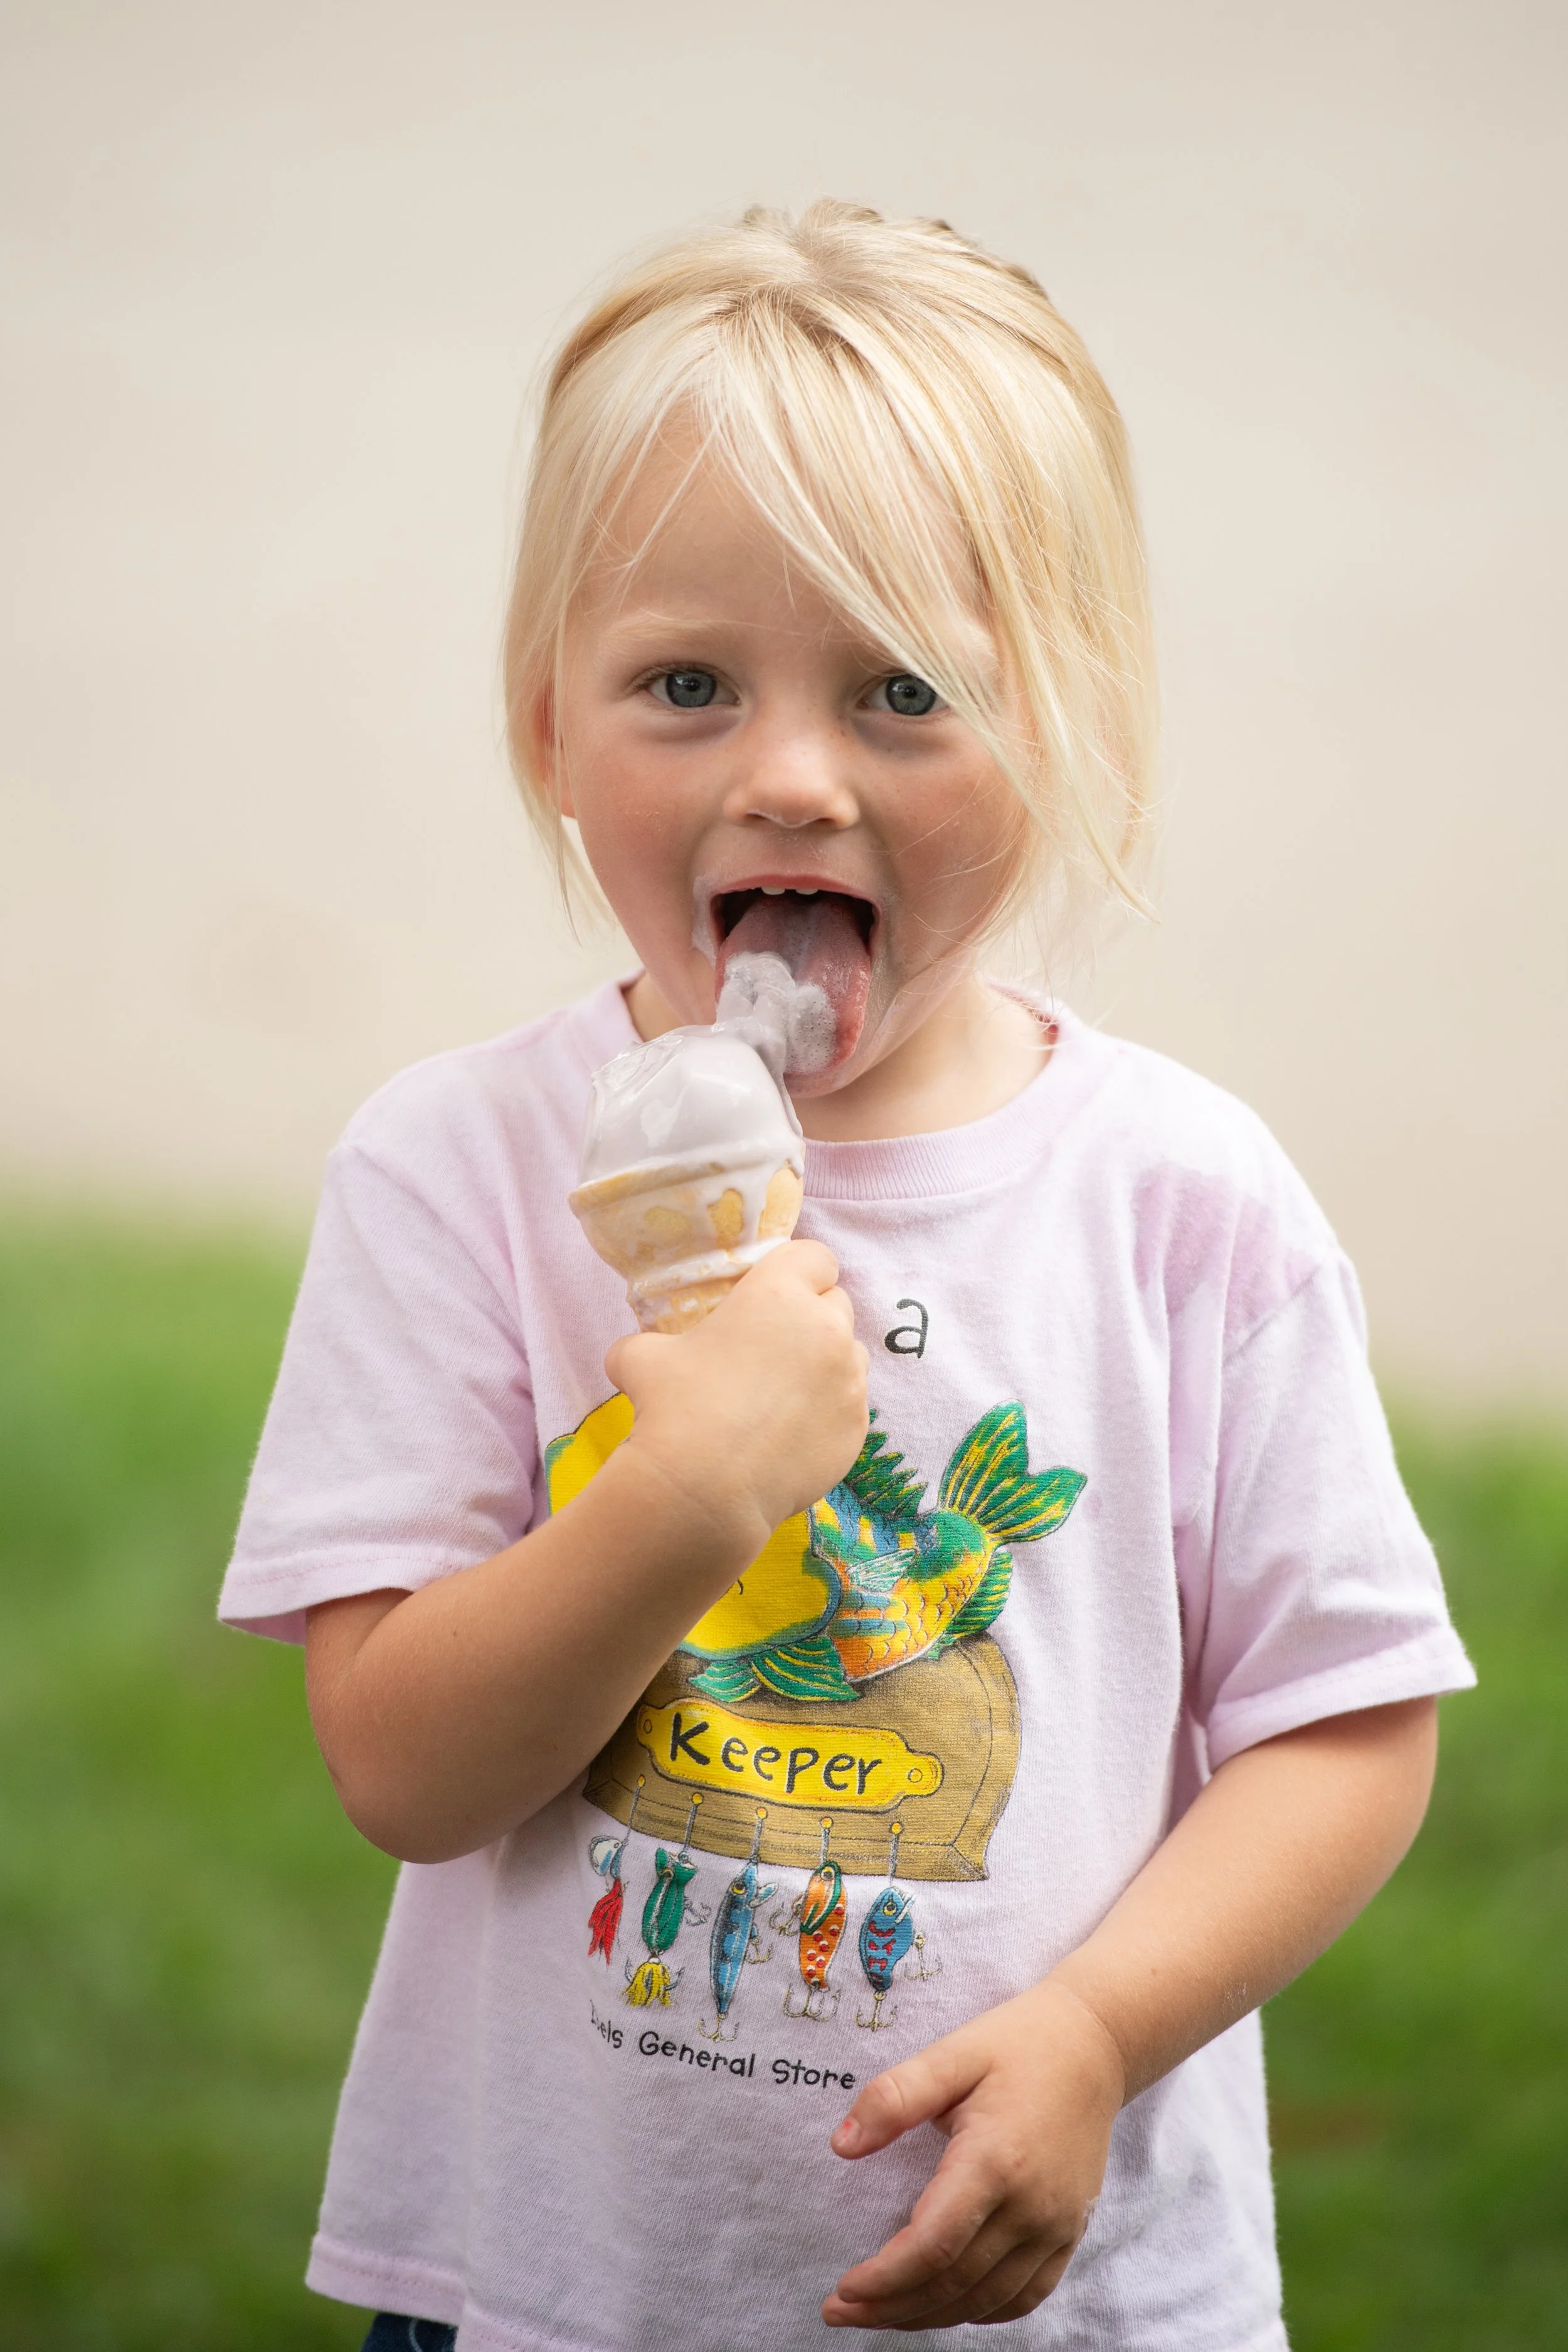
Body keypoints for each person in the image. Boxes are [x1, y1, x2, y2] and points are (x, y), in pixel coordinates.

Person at [220, 202, 1474, 2351]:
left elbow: (1343, 1731)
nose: (789, 770)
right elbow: (405, 1770)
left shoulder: (1182, 1203)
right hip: (552, 2293)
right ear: (547, 726)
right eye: (684, 682)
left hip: (1067, 2304)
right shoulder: (458, 1169)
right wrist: (680, 1501)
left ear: (1065, 722)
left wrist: (1092, 2032)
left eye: (903, 688)